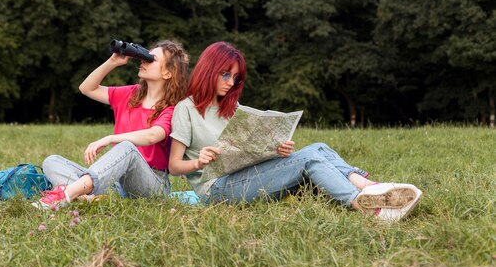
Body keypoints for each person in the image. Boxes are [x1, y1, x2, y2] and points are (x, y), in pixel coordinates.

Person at [168, 42, 422, 221]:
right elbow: (174, 166)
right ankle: (366, 206)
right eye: (225, 74)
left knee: (318, 147)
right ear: (208, 69)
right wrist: (198, 161)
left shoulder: (234, 109)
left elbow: (247, 152)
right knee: (309, 159)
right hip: (216, 189)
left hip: (245, 176)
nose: (230, 83)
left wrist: (276, 149)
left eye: (236, 78)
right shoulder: (186, 109)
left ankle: (371, 186)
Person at [34, 40, 189, 209]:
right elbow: (87, 88)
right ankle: (86, 197)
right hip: (119, 183)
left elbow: (153, 135)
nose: (143, 61)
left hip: (152, 185)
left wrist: (110, 138)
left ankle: (67, 194)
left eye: (151, 59)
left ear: (168, 73)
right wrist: (112, 62)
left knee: (127, 148)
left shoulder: (172, 108)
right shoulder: (131, 94)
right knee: (52, 161)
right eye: (144, 56)